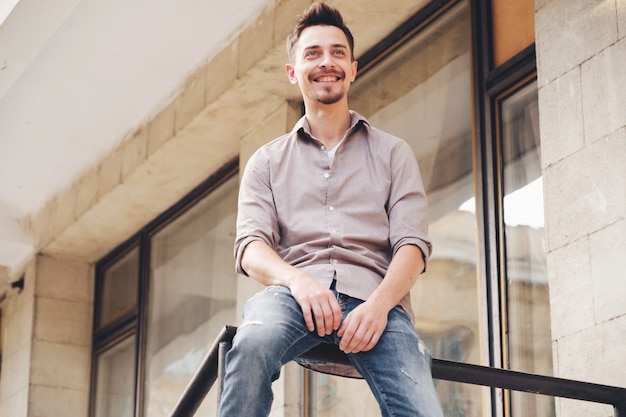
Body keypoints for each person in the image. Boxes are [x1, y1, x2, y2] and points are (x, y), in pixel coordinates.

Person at [218, 2, 443, 416]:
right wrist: (298, 282)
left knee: (423, 409)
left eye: (338, 52)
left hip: (378, 302)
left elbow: (413, 246)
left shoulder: (394, 153)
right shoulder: (266, 162)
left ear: (353, 68)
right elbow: (250, 247)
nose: (328, 62)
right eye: (313, 53)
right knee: (248, 346)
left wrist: (379, 306)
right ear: (293, 72)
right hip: (292, 299)